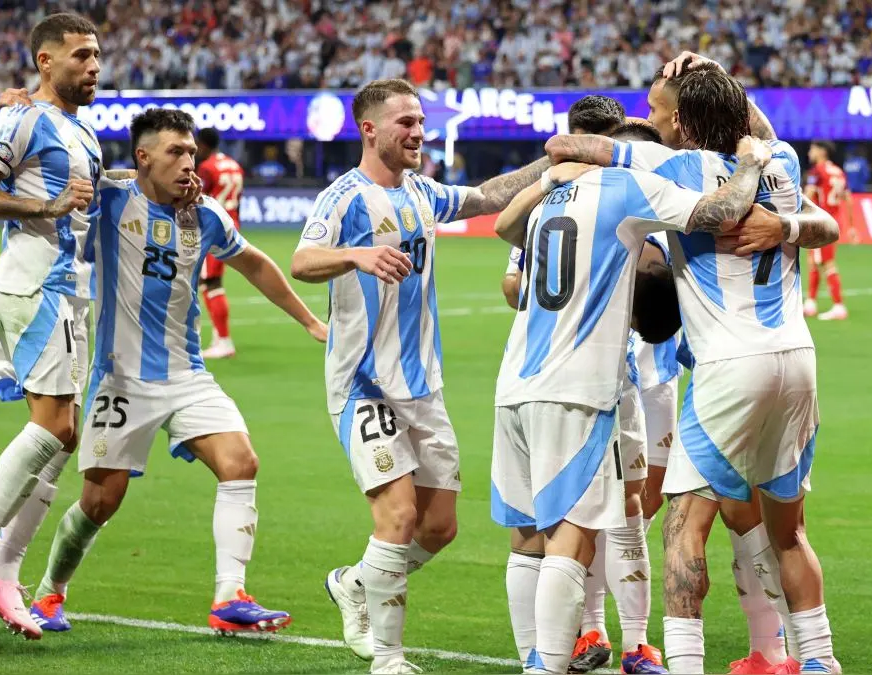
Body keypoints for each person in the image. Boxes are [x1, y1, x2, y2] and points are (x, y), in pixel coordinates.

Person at [547, 58, 842, 675]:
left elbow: (563, 143)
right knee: (787, 531)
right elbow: (753, 129)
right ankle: (817, 661)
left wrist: (601, 143)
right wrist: (713, 72)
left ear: (680, 121)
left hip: (729, 367)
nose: (649, 123)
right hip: (797, 361)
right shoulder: (780, 161)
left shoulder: (672, 168)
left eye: (655, 112)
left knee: (682, 528)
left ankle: (684, 665)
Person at [290, 78, 556, 675]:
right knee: (399, 517)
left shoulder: (420, 191)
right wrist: (356, 255)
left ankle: (355, 582)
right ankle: (388, 657)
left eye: (419, 121)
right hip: (363, 385)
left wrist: (556, 160)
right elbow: (302, 261)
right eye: (405, 123)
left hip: (423, 387)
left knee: (438, 527)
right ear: (370, 130)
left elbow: (487, 196)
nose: (417, 132)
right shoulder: (344, 197)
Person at [26, 108, 326, 635]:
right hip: (120, 378)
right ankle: (50, 592)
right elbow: (71, 181)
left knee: (241, 462)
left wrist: (309, 322)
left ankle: (229, 598)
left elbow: (253, 262)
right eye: (176, 152)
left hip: (188, 373)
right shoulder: (111, 202)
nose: (190, 162)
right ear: (143, 157)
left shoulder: (206, 214)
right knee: (101, 500)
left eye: (192, 152)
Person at [491, 122, 776, 675]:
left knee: (527, 535)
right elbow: (722, 213)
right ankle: (544, 666)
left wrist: (551, 174)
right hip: (577, 388)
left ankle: (531, 654)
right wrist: (750, 163)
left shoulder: (556, 190)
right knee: (571, 541)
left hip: (514, 383)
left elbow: (504, 224)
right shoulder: (628, 187)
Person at [0, 13, 125, 640]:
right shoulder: (21, 118)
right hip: (32, 286)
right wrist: (44, 204)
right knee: (51, 428)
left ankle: (6, 572)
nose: (94, 66)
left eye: (97, 55)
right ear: (46, 62)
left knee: (65, 436)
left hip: (70, 295)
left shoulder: (83, 134)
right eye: (80, 56)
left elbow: (88, 198)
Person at [194, 127, 245, 359]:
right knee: (211, 281)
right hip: (232, 224)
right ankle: (219, 336)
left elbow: (197, 197)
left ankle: (224, 341)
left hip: (213, 228)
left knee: (211, 282)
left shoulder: (206, 168)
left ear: (203, 144)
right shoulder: (234, 164)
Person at [804, 142, 850, 321]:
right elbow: (848, 198)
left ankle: (838, 306)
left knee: (826, 263)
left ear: (821, 151)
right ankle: (811, 303)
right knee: (815, 261)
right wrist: (852, 226)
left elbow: (808, 196)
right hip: (834, 221)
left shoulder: (817, 171)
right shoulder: (838, 171)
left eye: (812, 149)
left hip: (820, 221)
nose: (810, 152)